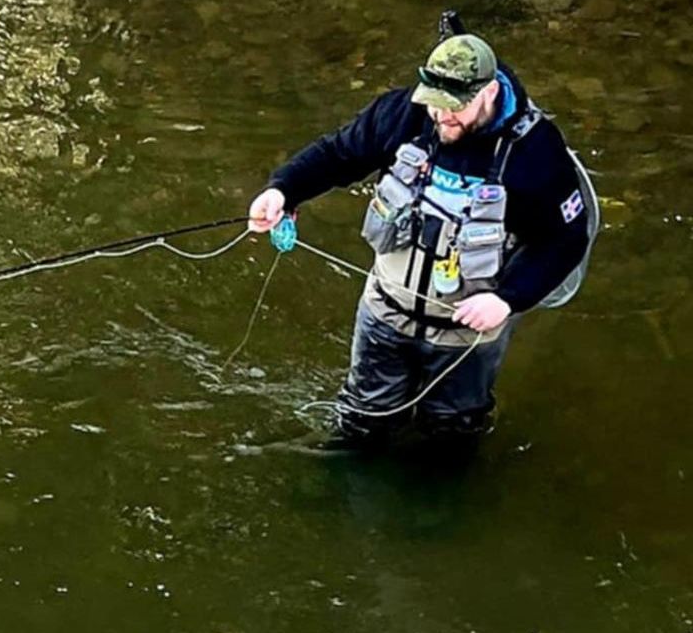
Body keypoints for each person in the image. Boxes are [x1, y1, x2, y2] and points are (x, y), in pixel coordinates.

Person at [247, 29, 592, 448]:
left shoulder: (535, 153)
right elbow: (340, 154)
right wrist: (283, 189)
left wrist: (508, 299)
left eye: (454, 108)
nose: (441, 117)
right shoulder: (406, 114)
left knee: (450, 439)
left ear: (487, 93)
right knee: (359, 428)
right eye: (434, 103)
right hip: (384, 316)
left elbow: (565, 240)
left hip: (464, 340)